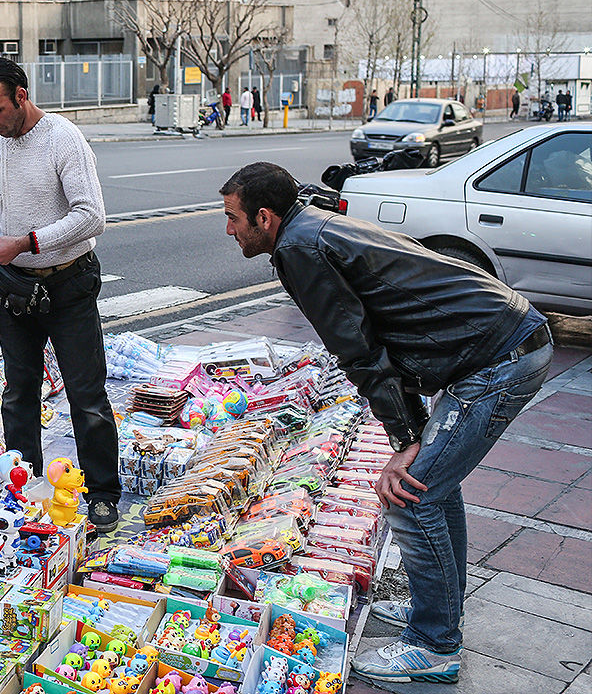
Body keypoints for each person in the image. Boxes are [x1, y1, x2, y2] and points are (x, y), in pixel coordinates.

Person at [218, 162, 552, 686]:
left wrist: (405, 439)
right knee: (433, 486)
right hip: (493, 345)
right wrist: (413, 434)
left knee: (410, 493)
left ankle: (435, 646)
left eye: (234, 218)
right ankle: (436, 609)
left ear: (264, 217)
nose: (229, 229)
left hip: (498, 357)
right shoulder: (310, 226)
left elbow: (359, 349)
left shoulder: (299, 249)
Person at [0, 57, 121, 533]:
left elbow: (91, 217)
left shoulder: (63, 139)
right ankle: (25, 487)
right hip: (14, 288)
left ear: (21, 96)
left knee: (86, 395)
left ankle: (103, 493)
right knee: (18, 393)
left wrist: (25, 242)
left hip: (68, 284)